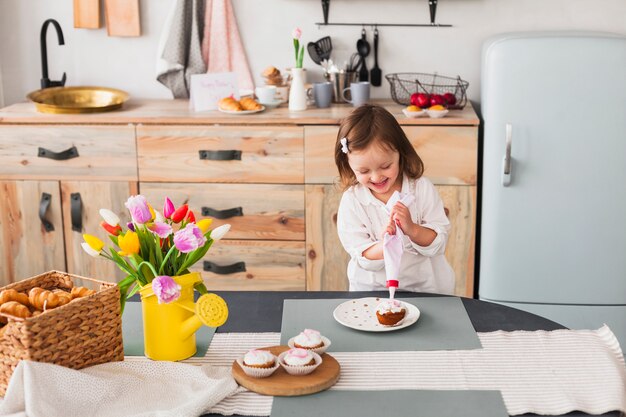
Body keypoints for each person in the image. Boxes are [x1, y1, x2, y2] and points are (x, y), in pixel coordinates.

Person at [335, 104, 454, 294]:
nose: (376, 177)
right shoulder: (352, 201)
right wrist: (386, 245)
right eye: (364, 171)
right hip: (372, 291)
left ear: (400, 153)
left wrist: (412, 229)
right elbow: (359, 252)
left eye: (385, 166)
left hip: (425, 289)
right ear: (349, 166)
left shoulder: (421, 189)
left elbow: (438, 242)